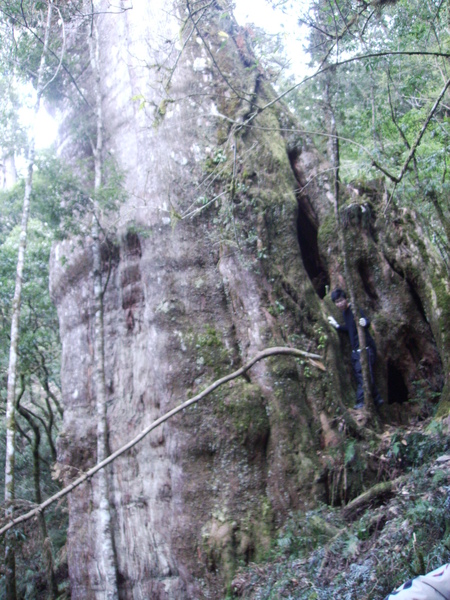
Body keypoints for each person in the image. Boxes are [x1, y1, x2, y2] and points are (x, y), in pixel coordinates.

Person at [328, 288, 383, 409]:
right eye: (337, 302)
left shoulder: (354, 309)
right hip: (356, 351)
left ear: (346, 299)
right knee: (362, 374)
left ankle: (361, 402)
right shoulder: (345, 313)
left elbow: (365, 321)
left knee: (364, 375)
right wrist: (337, 326)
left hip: (365, 349)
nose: (340, 303)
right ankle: (377, 398)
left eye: (341, 300)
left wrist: (365, 322)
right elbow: (350, 329)